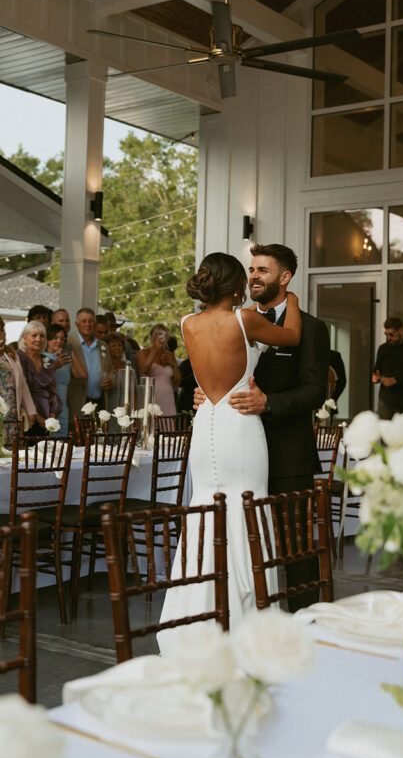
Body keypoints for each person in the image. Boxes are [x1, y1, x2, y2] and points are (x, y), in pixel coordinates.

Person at [160, 252, 302, 636]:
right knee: (247, 507)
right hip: (240, 424)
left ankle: (196, 617)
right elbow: (291, 336)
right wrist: (292, 300)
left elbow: (204, 378)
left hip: (207, 422)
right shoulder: (245, 319)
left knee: (204, 509)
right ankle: (249, 616)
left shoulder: (188, 323)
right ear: (235, 284)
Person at [196, 243, 331, 613]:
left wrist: (267, 403)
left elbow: (315, 390)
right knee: (239, 536)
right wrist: (210, 394)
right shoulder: (234, 320)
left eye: (263, 271)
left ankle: (307, 622)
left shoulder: (313, 328)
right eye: (251, 270)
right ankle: (244, 614)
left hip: (288, 453)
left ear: (284, 278)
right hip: (237, 449)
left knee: (295, 545)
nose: (253, 276)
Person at [372, 316, 403, 420]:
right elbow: (377, 370)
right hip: (386, 398)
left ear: (401, 330)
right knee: (385, 431)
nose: (389, 337)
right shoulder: (383, 348)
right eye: (386, 334)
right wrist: (377, 377)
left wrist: (396, 380)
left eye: (391, 334)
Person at [17, 321, 61, 429]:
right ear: (25, 338)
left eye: (42, 336)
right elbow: (21, 389)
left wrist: (52, 415)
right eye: (34, 335)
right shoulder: (19, 357)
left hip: (47, 419)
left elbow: (53, 391)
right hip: (28, 417)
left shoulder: (47, 360)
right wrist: (36, 416)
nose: (38, 339)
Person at [68, 308, 112, 414]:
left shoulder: (103, 345)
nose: (88, 324)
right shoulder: (69, 344)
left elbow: (111, 371)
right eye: (84, 321)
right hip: (77, 403)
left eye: (91, 321)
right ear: (77, 324)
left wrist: (110, 380)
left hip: (100, 403)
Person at [135, 323, 181, 416]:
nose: (160, 337)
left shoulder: (169, 355)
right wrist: (155, 349)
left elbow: (177, 382)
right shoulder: (144, 352)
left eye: (163, 334)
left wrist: (174, 365)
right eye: (157, 334)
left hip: (168, 396)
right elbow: (144, 370)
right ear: (151, 336)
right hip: (151, 395)